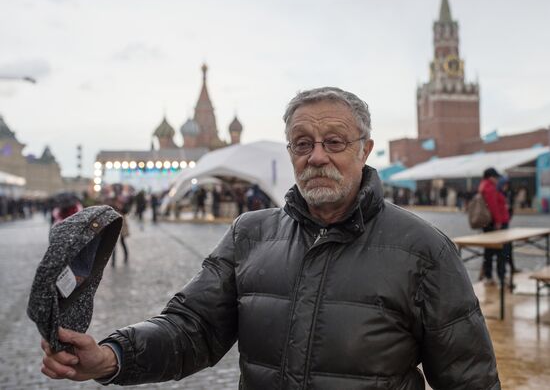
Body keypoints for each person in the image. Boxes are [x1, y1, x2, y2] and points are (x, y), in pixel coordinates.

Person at [39, 87, 500, 389]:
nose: (316, 156)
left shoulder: (423, 249)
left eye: (334, 142)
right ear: (291, 153)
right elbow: (193, 328)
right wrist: (112, 356)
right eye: (302, 144)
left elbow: (468, 378)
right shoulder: (250, 234)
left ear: (365, 150)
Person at [478, 167, 510, 286]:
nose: (497, 179)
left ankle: (489, 275)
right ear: (490, 177)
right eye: (495, 177)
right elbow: (493, 206)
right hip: (495, 223)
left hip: (490, 223)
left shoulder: (484, 186)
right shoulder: (489, 187)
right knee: (499, 250)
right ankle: (498, 276)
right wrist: (498, 221)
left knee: (490, 250)